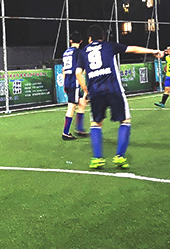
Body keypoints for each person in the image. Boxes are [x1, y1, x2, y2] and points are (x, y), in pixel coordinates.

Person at [75, 24, 163, 169]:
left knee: (96, 124)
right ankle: (120, 156)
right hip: (113, 88)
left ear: (89, 38)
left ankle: (97, 158)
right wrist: (153, 51)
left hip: (95, 91)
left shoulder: (83, 51)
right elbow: (132, 49)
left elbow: (78, 73)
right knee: (125, 121)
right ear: (103, 37)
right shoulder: (109, 46)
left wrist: (86, 90)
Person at [60, 32, 88, 140]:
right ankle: (65, 133)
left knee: (82, 102)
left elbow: (63, 69)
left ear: (70, 41)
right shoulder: (79, 53)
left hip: (68, 81)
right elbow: (80, 69)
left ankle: (79, 129)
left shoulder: (66, 52)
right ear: (81, 41)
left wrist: (64, 83)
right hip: (74, 82)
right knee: (71, 106)